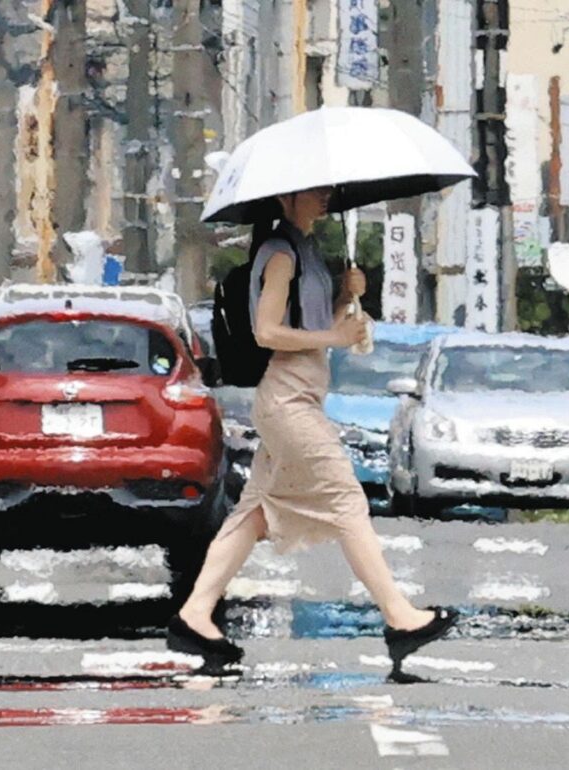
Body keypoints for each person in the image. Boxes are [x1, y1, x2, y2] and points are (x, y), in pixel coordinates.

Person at [167, 185, 458, 668]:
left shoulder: (305, 252)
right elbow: (268, 332)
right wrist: (334, 334)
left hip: (300, 396)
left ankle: (196, 613)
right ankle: (399, 616)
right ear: (284, 198)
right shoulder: (279, 252)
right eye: (314, 192)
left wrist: (346, 298)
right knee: (346, 500)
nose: (325, 197)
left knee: (255, 512)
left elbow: (322, 328)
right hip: (287, 400)